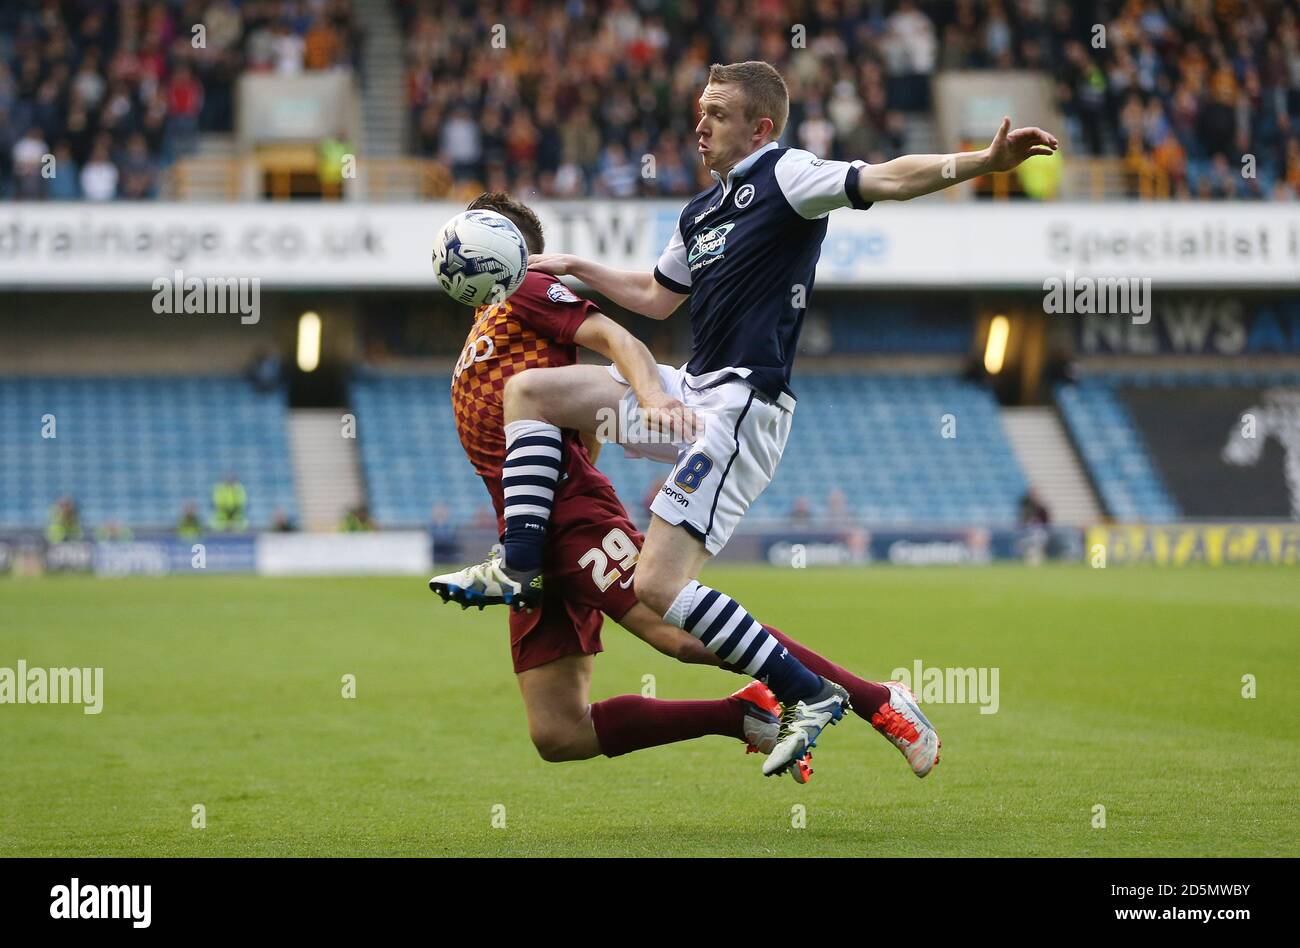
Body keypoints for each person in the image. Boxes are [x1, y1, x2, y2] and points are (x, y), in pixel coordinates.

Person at [438, 60, 1053, 777]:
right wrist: (573, 263)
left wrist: (981, 162)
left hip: (740, 405)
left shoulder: (787, 175)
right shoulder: (699, 213)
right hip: (695, 390)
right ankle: (519, 563)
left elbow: (884, 178)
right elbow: (654, 296)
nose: (700, 124)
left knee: (659, 593)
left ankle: (820, 697)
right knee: (532, 395)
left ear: (759, 126)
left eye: (719, 113)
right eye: (700, 109)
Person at [431, 192, 933, 783]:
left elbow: (619, 340)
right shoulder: (487, 320)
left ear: (509, 254)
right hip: (530, 531)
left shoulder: (527, 288)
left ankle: (874, 699)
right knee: (557, 732)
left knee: (680, 633)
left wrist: (636, 411)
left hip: (567, 521)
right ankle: (742, 715)